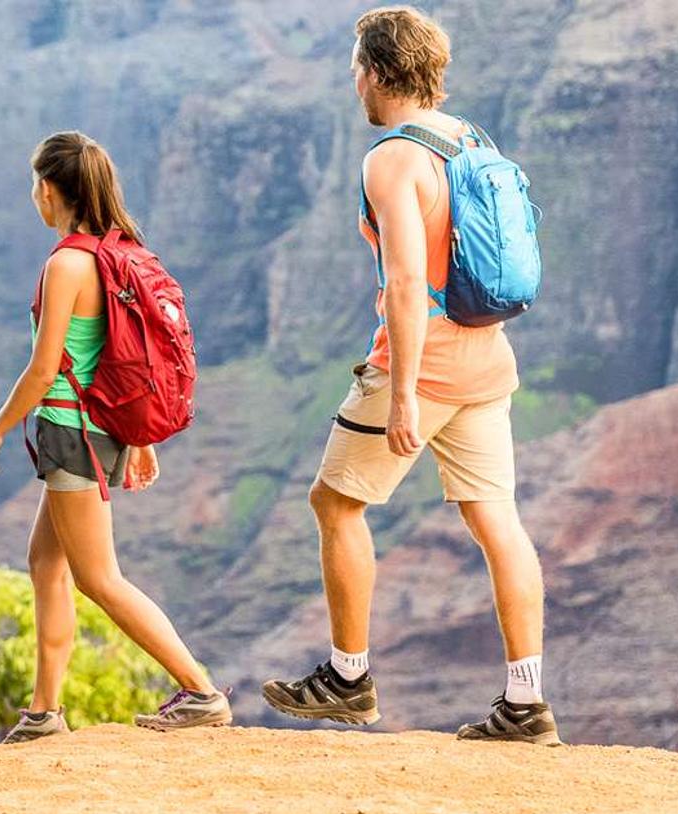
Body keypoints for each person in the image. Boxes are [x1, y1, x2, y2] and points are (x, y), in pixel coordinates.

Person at [260, 6, 558, 745]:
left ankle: (348, 678)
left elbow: (403, 282)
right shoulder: (470, 138)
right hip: (489, 364)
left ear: (377, 71)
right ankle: (526, 703)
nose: (353, 81)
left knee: (333, 504)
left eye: (357, 67)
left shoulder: (392, 159)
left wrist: (400, 396)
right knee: (499, 524)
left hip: (423, 367)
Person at [0, 130, 231, 743]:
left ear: (47, 188)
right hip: (99, 430)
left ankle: (200, 690)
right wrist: (136, 436)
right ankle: (44, 713)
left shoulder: (66, 263)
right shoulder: (113, 254)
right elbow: (120, 353)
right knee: (45, 562)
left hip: (71, 434)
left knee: (97, 576)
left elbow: (45, 369)